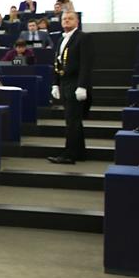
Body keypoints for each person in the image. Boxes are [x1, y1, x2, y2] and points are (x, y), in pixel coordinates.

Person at [48, 11, 91, 164]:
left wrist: (82, 86)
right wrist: (55, 83)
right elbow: (56, 63)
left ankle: (69, 154)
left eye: (70, 18)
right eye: (64, 19)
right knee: (72, 120)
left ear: (77, 22)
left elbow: (86, 64)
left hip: (76, 83)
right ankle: (79, 152)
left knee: (72, 120)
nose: (66, 21)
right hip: (64, 82)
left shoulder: (82, 37)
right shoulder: (60, 39)